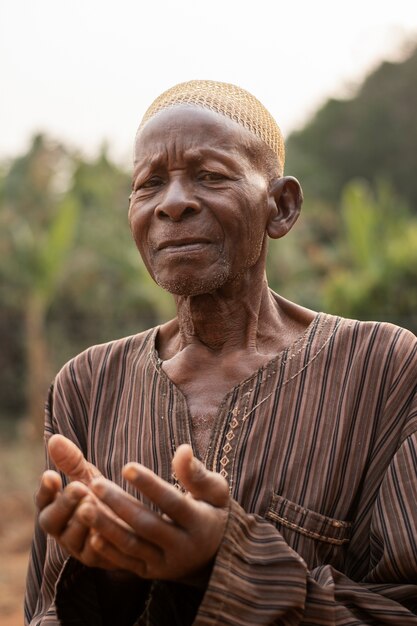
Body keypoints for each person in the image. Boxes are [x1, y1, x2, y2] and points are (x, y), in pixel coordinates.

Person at [25, 80, 417, 626]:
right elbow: (46, 612)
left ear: (281, 207)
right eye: (149, 184)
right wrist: (113, 571)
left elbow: (401, 607)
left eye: (210, 176)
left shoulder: (384, 369)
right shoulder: (88, 384)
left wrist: (224, 563)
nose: (174, 202)